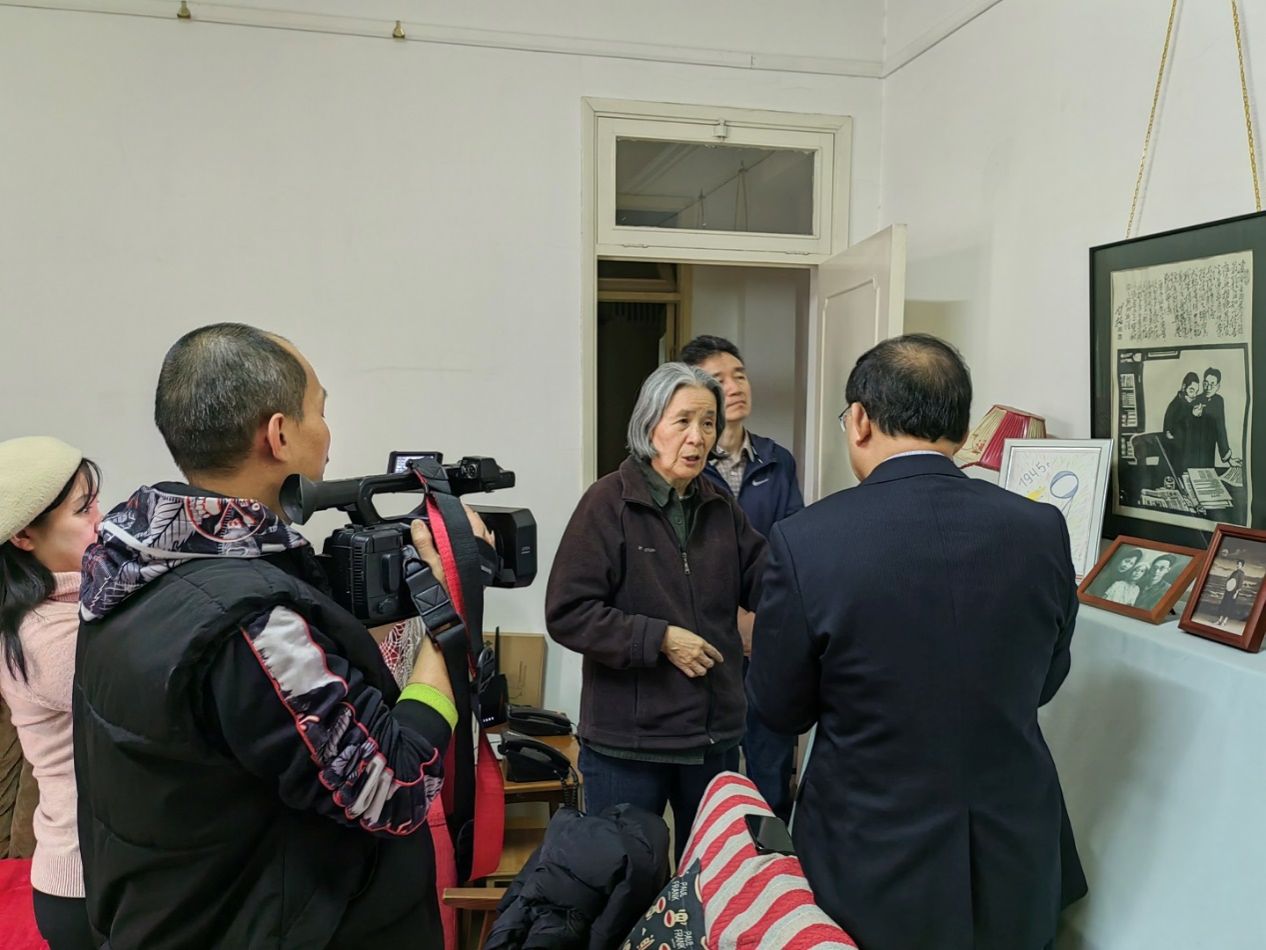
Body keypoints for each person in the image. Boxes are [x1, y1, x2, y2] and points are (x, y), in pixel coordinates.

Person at [74, 323, 489, 949]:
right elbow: (395, 789)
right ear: (279, 434)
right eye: (319, 410)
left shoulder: (124, 569)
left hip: (169, 914)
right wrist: (449, 616)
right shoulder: (253, 622)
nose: (327, 431)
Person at [748, 334, 1083, 949]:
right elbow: (1045, 680)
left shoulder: (806, 541)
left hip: (867, 854)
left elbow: (779, 707)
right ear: (961, 428)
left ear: (859, 420)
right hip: (1014, 850)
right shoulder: (1041, 528)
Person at [545, 362, 766, 864]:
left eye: (707, 423)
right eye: (682, 421)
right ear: (649, 425)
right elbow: (568, 612)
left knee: (711, 883)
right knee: (624, 883)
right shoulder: (608, 503)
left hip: (713, 741)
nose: (697, 437)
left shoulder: (720, 506)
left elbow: (769, 583)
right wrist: (660, 638)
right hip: (628, 746)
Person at [680, 334, 803, 823]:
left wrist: (763, 617)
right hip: (708, 637)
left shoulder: (776, 459)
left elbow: (790, 546)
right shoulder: (686, 463)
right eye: (719, 379)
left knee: (770, 762)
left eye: (740, 375)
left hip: (769, 632)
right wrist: (733, 617)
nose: (734, 387)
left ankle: (768, 862)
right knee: (716, 776)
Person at [0, 438, 101, 949]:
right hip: (84, 886)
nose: (101, 520)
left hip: (105, 873)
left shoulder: (76, 602)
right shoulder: (42, 636)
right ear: (24, 535)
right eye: (83, 510)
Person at [1162, 372, 1202, 474]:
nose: (1194, 395)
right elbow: (1173, 432)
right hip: (1174, 463)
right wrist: (1192, 415)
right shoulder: (1174, 406)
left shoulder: (1187, 404)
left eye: (1196, 392)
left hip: (1185, 461)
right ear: (1184, 387)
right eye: (1191, 390)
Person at [1202, 367, 1234, 466]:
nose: (1208, 388)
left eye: (1212, 384)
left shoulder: (1218, 401)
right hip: (1190, 452)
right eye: (1206, 383)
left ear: (1218, 386)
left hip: (1208, 452)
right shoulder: (1195, 399)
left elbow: (1220, 429)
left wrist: (1228, 458)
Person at [1216, 559, 1247, 626]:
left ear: (1242, 566)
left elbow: (1240, 584)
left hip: (1234, 592)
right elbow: (1230, 581)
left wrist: (1236, 593)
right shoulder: (1234, 572)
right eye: (1237, 564)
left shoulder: (1241, 573)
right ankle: (1219, 620)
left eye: (1239, 564)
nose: (1238, 565)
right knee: (1224, 604)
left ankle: (1224, 621)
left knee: (1229, 606)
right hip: (1228, 591)